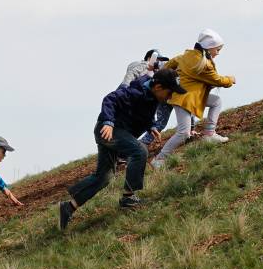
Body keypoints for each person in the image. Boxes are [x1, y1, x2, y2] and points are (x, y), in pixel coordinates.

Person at [58, 68, 186, 230]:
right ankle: (128, 197)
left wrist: (151, 126)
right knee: (139, 151)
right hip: (109, 130)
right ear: (158, 87)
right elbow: (110, 99)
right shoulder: (135, 92)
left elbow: (145, 115)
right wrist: (108, 122)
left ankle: (68, 207)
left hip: (116, 133)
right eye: (170, 92)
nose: (171, 97)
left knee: (104, 177)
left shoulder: (152, 96)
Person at [151, 29, 237, 168]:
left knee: (216, 101)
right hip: (184, 99)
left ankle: (209, 133)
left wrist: (168, 76)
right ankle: (159, 159)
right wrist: (230, 79)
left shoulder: (187, 55)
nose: (218, 53)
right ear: (209, 48)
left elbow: (170, 64)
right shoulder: (204, 65)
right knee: (183, 133)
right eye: (217, 49)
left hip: (188, 96)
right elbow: (217, 80)